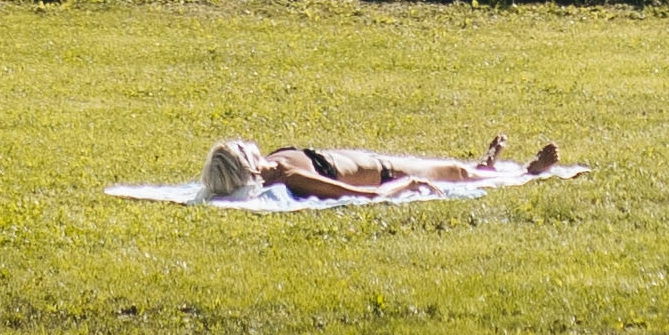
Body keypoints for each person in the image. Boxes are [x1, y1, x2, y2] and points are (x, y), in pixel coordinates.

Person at [198, 137, 556, 202]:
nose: (246, 140)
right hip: (386, 171)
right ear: (247, 163)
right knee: (458, 174)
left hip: (374, 160)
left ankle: (486, 165)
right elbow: (364, 195)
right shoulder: (292, 178)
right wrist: (406, 184)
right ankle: (528, 173)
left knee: (458, 170)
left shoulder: (277, 164)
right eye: (241, 147)